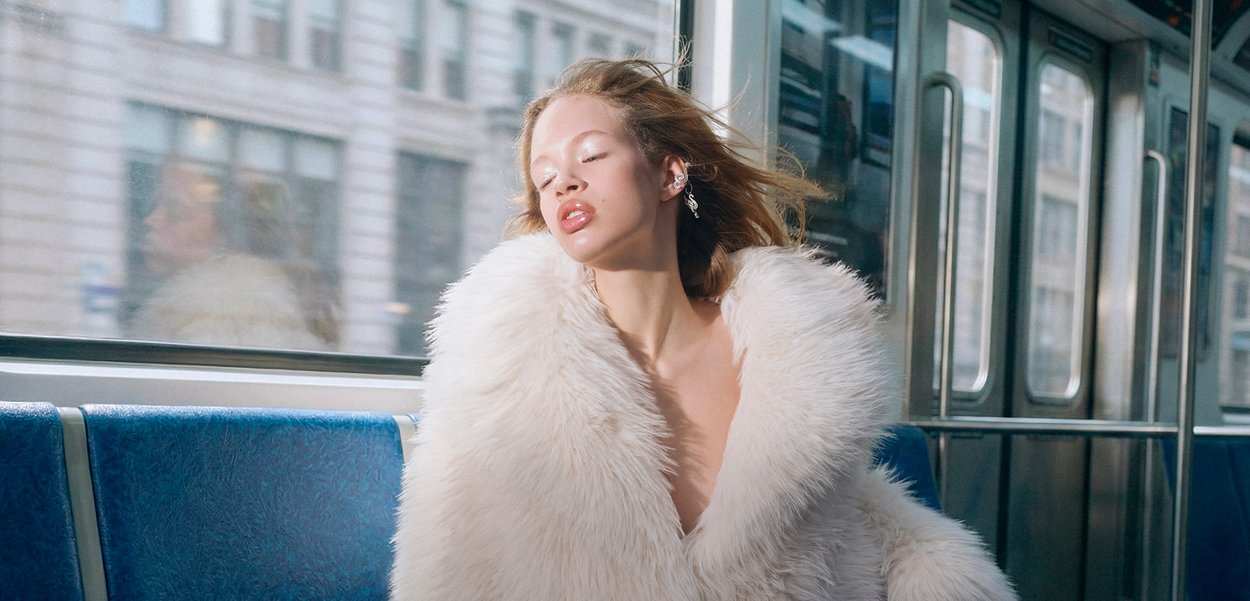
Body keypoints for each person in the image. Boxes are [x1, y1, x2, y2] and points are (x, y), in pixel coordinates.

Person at [389, 59, 1015, 601]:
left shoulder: (792, 355)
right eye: (544, 178)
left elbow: (849, 526)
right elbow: (446, 564)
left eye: (590, 156)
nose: (565, 184)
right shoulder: (494, 375)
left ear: (670, 174)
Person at [129, 162, 338, 350]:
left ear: (223, 236)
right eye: (155, 203)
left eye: (175, 210)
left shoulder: (224, 317)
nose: (151, 219)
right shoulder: (241, 306)